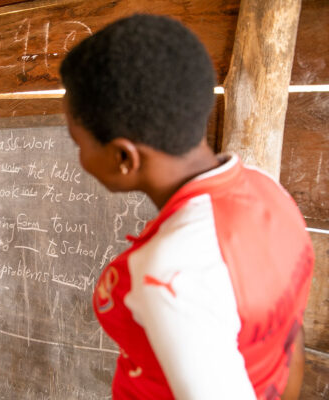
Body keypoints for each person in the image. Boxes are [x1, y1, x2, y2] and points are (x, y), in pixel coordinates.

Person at [59, 14, 314, 400]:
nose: (79, 156)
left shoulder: (171, 271)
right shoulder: (267, 190)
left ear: (124, 157)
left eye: (79, 143)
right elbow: (289, 343)